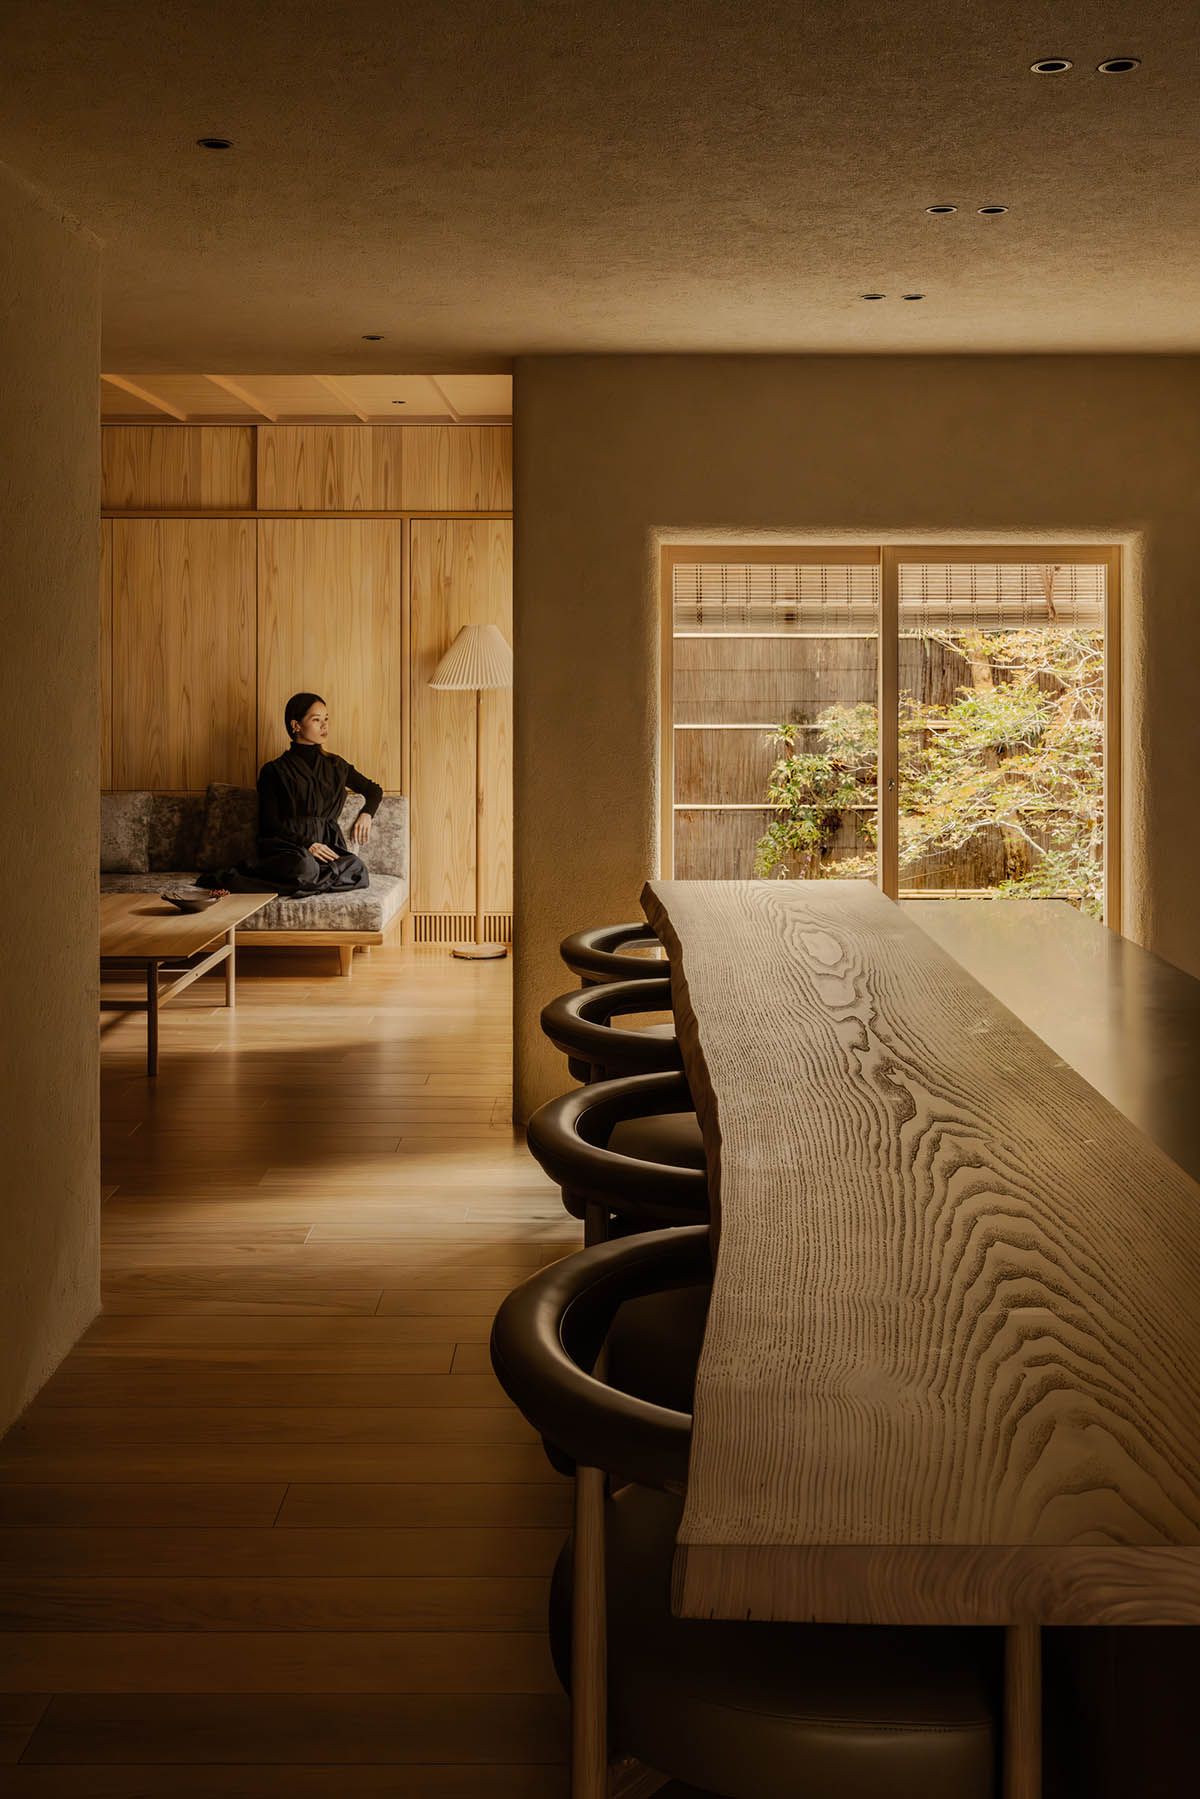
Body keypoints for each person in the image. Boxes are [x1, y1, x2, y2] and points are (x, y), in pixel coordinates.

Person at [203, 692, 383, 896]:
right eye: (316, 720)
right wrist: (308, 845)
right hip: (287, 847)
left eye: (326, 719)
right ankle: (300, 880)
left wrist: (367, 814)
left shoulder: (336, 765)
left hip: (327, 845)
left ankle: (306, 884)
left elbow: (373, 790)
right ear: (296, 725)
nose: (324, 725)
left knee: (357, 868)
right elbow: (270, 823)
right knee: (305, 866)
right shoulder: (274, 770)